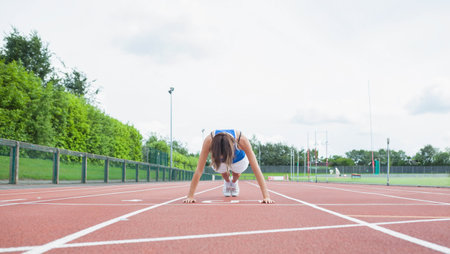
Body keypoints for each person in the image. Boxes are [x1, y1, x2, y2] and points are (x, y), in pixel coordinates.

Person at [183, 129, 274, 204]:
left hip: (239, 159)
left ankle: (234, 182)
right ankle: (227, 181)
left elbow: (256, 168)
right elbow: (199, 169)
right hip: (218, 160)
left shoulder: (241, 140)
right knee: (224, 173)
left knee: (236, 174)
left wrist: (266, 197)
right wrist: (190, 196)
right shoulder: (208, 140)